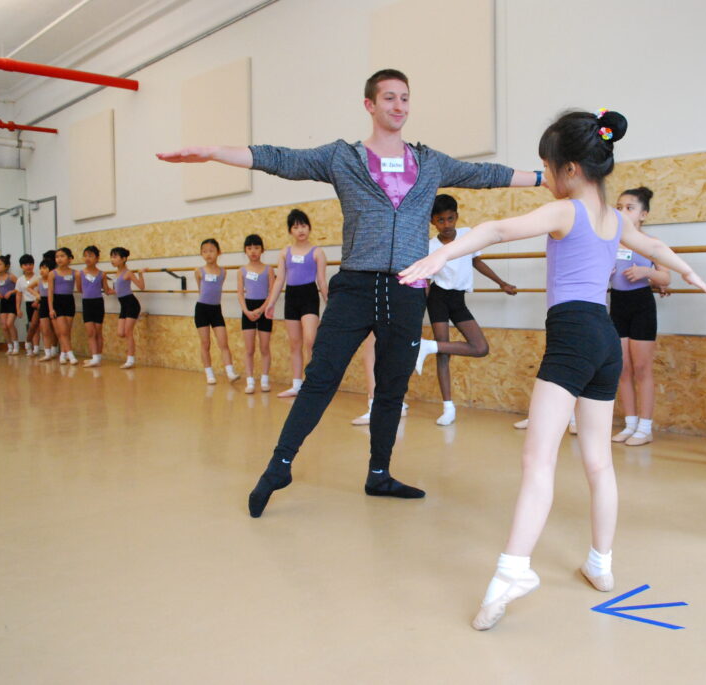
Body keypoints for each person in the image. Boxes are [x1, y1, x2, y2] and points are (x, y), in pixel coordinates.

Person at [157, 68, 545, 513]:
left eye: (405, 98)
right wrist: (210, 153)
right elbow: (280, 158)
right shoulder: (343, 158)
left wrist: (543, 178)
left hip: (406, 289)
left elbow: (485, 173)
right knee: (321, 378)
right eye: (389, 98)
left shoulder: (430, 162)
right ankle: (278, 467)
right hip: (355, 286)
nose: (398, 106)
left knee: (392, 387)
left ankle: (379, 474)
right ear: (370, 105)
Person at [400, 108, 706, 631]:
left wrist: (438, 259)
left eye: (545, 169)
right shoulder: (615, 219)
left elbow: (498, 228)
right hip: (605, 339)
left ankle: (512, 570)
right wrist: (686, 271)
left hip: (572, 335)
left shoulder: (567, 211)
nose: (544, 179)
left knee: (537, 459)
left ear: (569, 169)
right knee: (597, 460)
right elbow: (654, 247)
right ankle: (601, 564)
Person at [414, 193, 518, 425]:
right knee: (444, 353)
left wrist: (502, 283)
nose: (447, 225)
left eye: (451, 219)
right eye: (441, 220)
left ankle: (426, 346)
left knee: (480, 347)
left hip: (458, 300)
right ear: (433, 222)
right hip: (438, 299)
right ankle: (448, 407)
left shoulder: (467, 235)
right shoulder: (430, 246)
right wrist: (418, 311)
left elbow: (476, 261)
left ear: (457, 217)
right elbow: (426, 283)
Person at [609, 187, 669, 445]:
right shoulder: (609, 243)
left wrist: (647, 274)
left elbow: (665, 276)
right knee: (623, 368)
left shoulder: (650, 244)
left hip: (642, 306)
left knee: (642, 368)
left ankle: (645, 427)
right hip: (618, 307)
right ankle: (630, 423)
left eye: (629, 208)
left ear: (643, 214)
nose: (622, 212)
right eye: (619, 207)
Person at [263, 209, 327, 398]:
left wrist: (329, 303)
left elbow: (322, 281)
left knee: (310, 340)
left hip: (309, 297)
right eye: (296, 227)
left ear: (309, 228)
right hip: (291, 298)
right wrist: (271, 303)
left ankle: (312, 382)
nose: (300, 230)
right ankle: (297, 384)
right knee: (294, 343)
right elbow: (279, 279)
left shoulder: (317, 252)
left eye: (304, 226)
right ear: (290, 231)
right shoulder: (285, 252)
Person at [193, 238, 238, 385]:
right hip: (202, 309)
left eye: (211, 251)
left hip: (216, 310)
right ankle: (209, 373)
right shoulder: (199, 271)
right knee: (205, 343)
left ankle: (230, 372)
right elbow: (201, 290)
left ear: (218, 252)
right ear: (201, 254)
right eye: (204, 251)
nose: (208, 254)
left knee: (223, 342)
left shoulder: (223, 272)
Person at [237, 234, 275, 394]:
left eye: (256, 248)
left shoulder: (269, 269)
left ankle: (264, 379)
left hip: (265, 308)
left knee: (265, 347)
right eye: (250, 248)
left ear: (262, 250)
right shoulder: (242, 270)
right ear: (245, 250)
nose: (253, 251)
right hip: (248, 309)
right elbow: (240, 293)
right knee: (250, 349)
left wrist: (261, 309)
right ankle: (250, 381)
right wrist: (246, 311)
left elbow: (272, 292)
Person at [110, 247, 144, 369]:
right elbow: (117, 290)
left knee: (128, 332)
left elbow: (141, 287)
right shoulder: (116, 274)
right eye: (111, 257)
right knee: (121, 333)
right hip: (123, 305)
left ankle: (130, 359)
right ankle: (138, 317)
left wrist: (140, 274)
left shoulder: (128, 273)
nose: (112, 259)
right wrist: (110, 291)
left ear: (123, 259)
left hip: (131, 304)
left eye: (115, 257)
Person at [48, 247, 79, 365]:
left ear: (69, 258)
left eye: (62, 256)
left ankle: (63, 353)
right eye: (57, 257)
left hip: (69, 301)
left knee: (67, 331)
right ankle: (70, 355)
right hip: (58, 302)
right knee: (63, 331)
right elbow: (50, 292)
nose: (59, 259)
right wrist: (51, 309)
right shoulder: (52, 273)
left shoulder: (75, 273)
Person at [80, 245, 109, 367]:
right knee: (90, 332)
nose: (87, 258)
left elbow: (106, 290)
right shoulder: (80, 273)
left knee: (98, 331)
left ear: (97, 258)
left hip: (98, 302)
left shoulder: (102, 274)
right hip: (87, 303)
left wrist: (121, 290)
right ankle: (94, 357)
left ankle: (98, 357)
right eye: (86, 255)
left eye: (91, 256)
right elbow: (79, 288)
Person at [0, 255, 19, 354]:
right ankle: (9, 346)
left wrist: (11, 292)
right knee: (4, 326)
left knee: (9, 324)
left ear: (6, 266)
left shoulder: (11, 276)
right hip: (3, 302)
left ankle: (16, 345)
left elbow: (19, 288)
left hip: (12, 301)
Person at [15, 254, 40, 356]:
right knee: (33, 326)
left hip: (39, 302)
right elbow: (19, 295)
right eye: (25, 264)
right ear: (21, 266)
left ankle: (36, 348)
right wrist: (18, 309)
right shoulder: (20, 280)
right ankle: (32, 346)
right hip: (29, 304)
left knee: (39, 325)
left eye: (30, 264)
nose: (28, 266)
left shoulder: (38, 277)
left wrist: (38, 300)